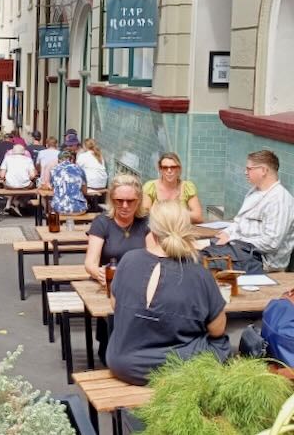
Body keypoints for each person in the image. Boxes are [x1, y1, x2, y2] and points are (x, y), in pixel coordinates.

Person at [106, 201, 230, 386]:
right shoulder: (199, 274)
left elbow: (115, 306)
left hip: (124, 364)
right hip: (177, 368)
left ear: (152, 231)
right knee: (220, 344)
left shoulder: (128, 260)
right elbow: (217, 329)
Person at [212, 150, 294, 272]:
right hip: (240, 250)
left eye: (249, 169)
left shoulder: (280, 200)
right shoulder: (254, 192)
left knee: (205, 265)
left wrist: (232, 240)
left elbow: (271, 243)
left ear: (264, 170)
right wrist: (226, 233)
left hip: (262, 260)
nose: (245, 172)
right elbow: (238, 222)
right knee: (194, 254)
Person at [85, 174, 151, 284]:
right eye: (119, 200)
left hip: (139, 282)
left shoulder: (147, 222)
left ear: (139, 200)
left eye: (130, 201)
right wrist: (99, 273)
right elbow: (90, 263)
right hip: (109, 282)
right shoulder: (101, 222)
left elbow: (152, 257)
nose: (125, 205)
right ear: (111, 199)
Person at [141, 152, 202, 223]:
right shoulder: (150, 186)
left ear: (179, 169)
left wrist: (165, 214)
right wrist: (180, 214)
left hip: (180, 231)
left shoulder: (187, 187)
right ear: (160, 169)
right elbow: (145, 215)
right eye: (165, 167)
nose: (169, 171)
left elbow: (198, 217)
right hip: (157, 230)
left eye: (173, 167)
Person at [0, 144, 37, 216]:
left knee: (13, 185)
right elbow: (33, 175)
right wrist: (25, 178)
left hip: (9, 185)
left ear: (13, 151)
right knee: (28, 186)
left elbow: (2, 175)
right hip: (25, 185)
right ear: (24, 152)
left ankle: (13, 203)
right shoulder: (28, 160)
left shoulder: (7, 159)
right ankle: (17, 202)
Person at [49, 150, 87, 215]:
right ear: (71, 159)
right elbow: (85, 191)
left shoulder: (54, 170)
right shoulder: (80, 169)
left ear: (59, 160)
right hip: (79, 208)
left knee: (50, 205)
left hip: (59, 208)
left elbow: (54, 190)